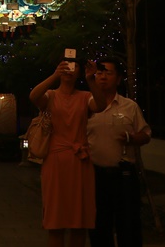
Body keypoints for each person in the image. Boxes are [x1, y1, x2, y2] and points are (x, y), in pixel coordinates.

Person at [29, 55, 107, 247]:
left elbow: (101, 105)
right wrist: (55, 75)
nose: (69, 70)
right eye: (66, 66)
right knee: (55, 221)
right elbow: (33, 96)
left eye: (74, 67)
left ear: (80, 72)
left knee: (79, 222)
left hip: (80, 161)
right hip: (55, 161)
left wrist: (91, 80)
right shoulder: (51, 95)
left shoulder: (84, 96)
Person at [87, 59, 152, 247]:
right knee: (99, 227)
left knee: (129, 226)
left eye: (108, 73)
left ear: (118, 79)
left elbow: (146, 134)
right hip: (95, 176)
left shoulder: (129, 106)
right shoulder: (87, 105)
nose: (103, 77)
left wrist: (132, 138)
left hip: (124, 175)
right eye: (99, 73)